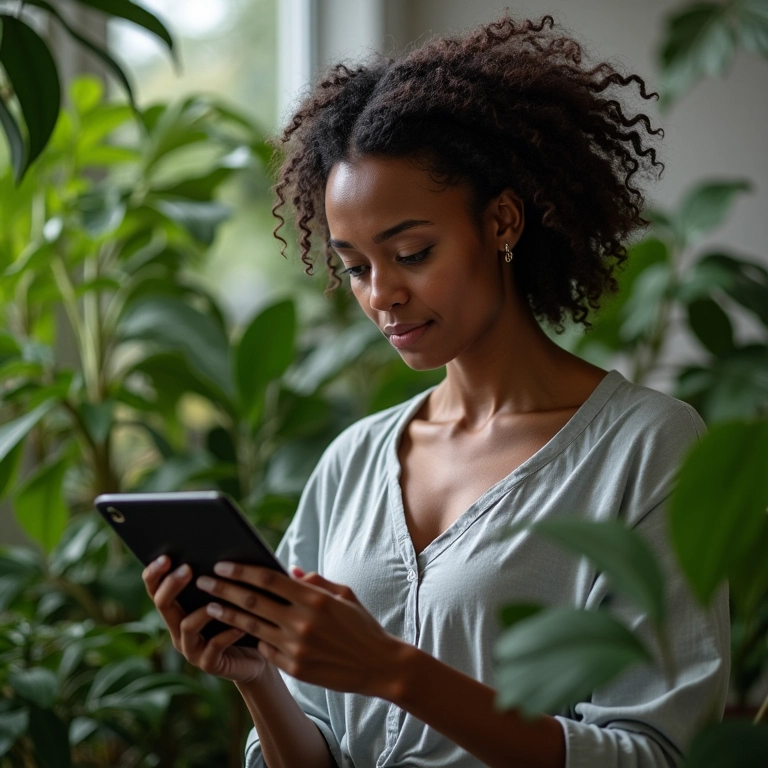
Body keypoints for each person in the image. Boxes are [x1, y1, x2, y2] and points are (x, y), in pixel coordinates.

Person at [142, 14, 729, 768]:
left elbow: (657, 757)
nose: (382, 294)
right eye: (355, 267)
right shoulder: (352, 462)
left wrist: (391, 671)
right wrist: (258, 680)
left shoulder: (647, 450)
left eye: (412, 252)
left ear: (503, 223)